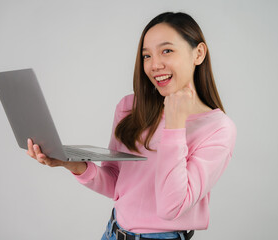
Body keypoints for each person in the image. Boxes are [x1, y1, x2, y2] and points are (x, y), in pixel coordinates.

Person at [26, 12, 237, 240]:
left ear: (198, 53)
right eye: (146, 56)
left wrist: (175, 124)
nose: (155, 65)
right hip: (113, 232)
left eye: (167, 50)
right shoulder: (129, 107)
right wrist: (74, 165)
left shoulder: (218, 129)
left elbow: (171, 207)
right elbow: (116, 183)